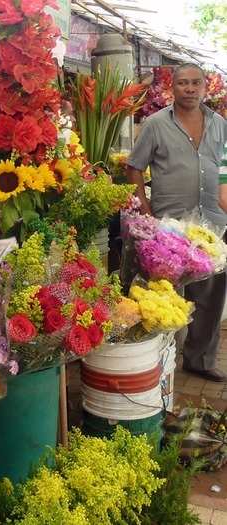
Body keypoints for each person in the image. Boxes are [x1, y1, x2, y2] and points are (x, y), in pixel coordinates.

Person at [126, 63, 227, 382]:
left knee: (211, 296)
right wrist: (144, 208)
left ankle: (199, 360)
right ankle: (157, 358)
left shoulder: (220, 125)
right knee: (165, 294)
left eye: (196, 82)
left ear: (204, 87)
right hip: (170, 227)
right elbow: (134, 168)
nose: (190, 88)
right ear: (172, 87)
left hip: (213, 225)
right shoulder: (155, 124)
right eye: (183, 83)